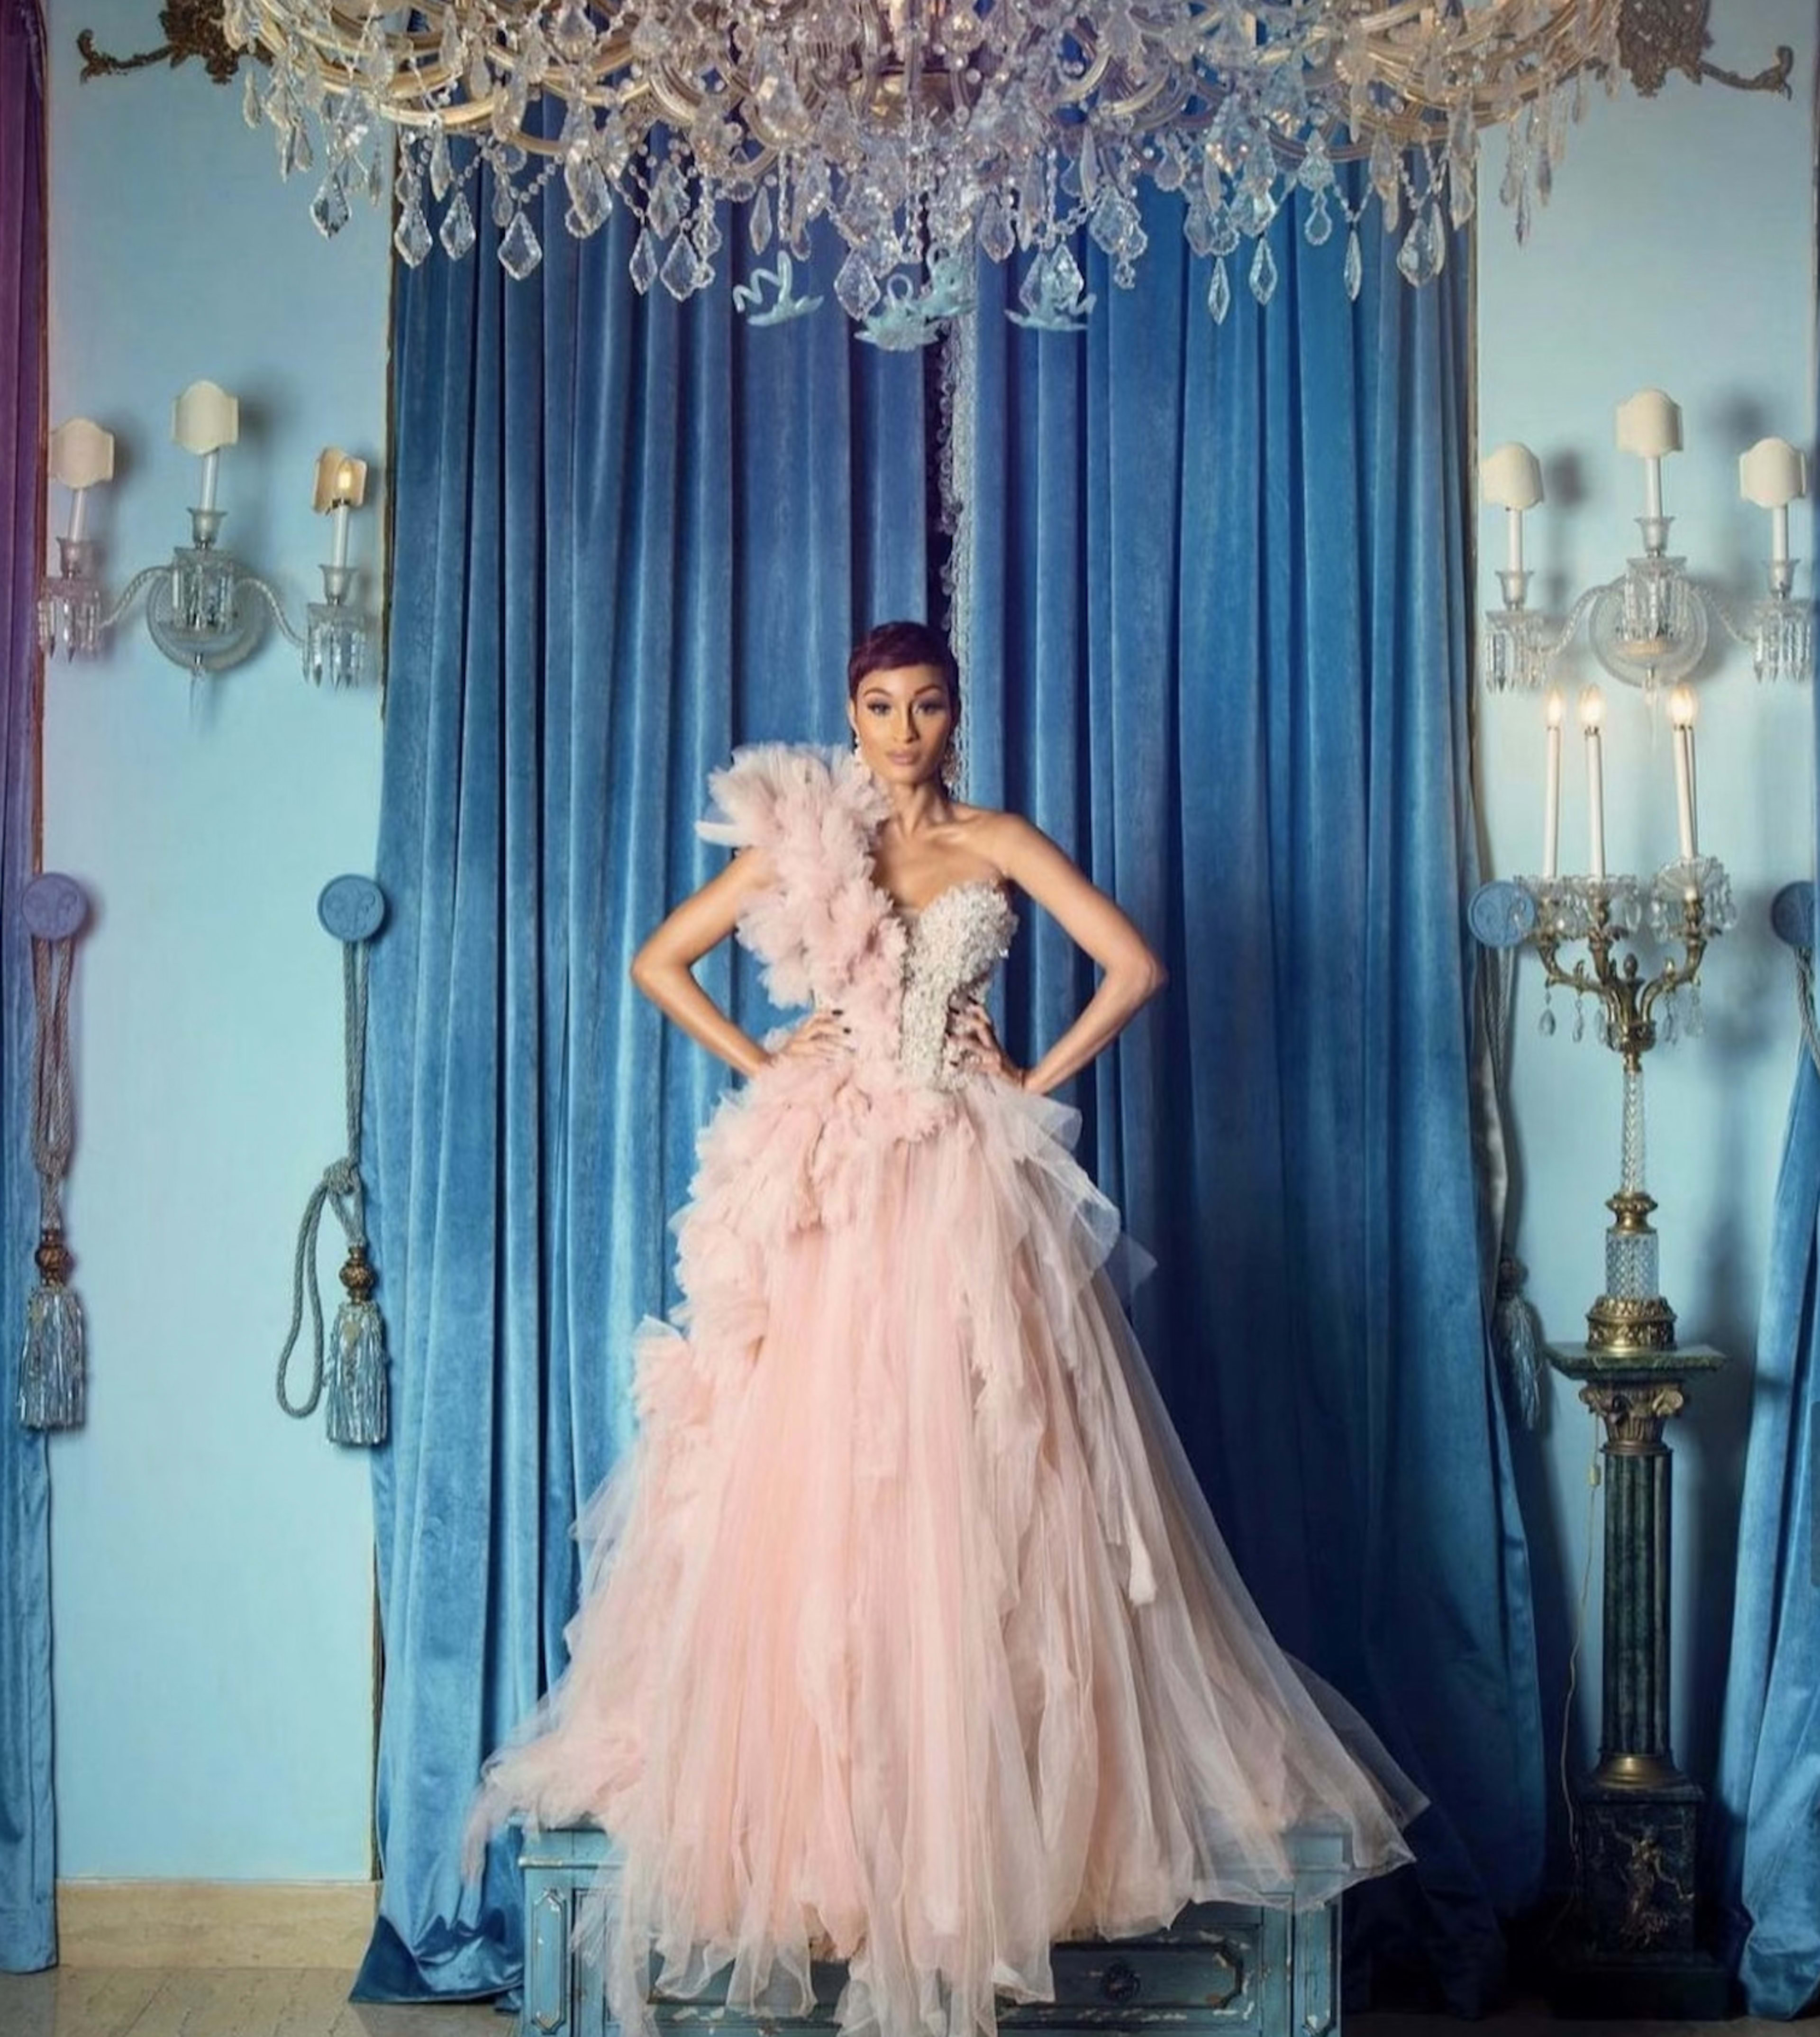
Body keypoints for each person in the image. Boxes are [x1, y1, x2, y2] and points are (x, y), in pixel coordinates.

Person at [468, 620, 1420, 2037]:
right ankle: (837, 1819)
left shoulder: (997, 838)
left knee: (999, 1469)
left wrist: (1033, 1067)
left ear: (954, 717)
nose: (900, 728)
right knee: (822, 1472)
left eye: (923, 705)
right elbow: (662, 961)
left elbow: (1133, 966)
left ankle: (1005, 1806)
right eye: (876, 705)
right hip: (839, 1171)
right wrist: (768, 1050)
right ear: (847, 718)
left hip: (968, 1174)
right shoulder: (811, 845)